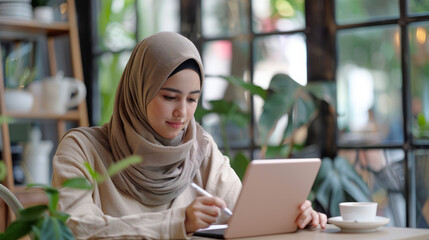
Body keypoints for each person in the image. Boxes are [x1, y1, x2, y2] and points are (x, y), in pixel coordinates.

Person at [52, 32, 327, 239]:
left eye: (192, 99)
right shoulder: (81, 149)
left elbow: (246, 218)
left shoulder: (199, 147)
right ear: (139, 90)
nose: (182, 113)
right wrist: (177, 224)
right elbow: (74, 228)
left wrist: (294, 219)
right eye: (170, 97)